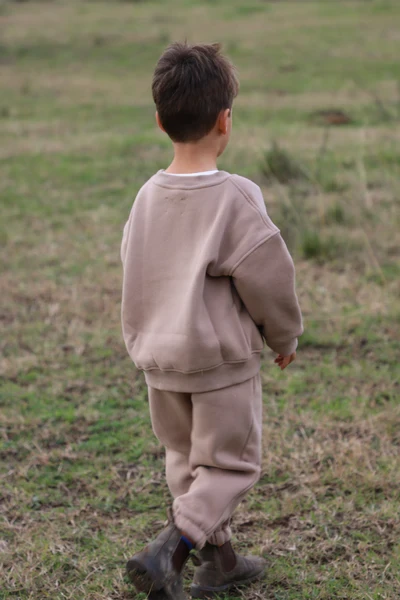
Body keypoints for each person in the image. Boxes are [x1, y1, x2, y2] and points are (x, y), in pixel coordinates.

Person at [121, 42, 303, 600]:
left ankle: (219, 563)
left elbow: (133, 265)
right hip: (219, 364)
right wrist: (283, 335)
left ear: (160, 121)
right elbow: (269, 277)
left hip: (161, 364)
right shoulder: (235, 196)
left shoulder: (147, 196)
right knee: (229, 468)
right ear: (226, 120)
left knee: (186, 463)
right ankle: (170, 550)